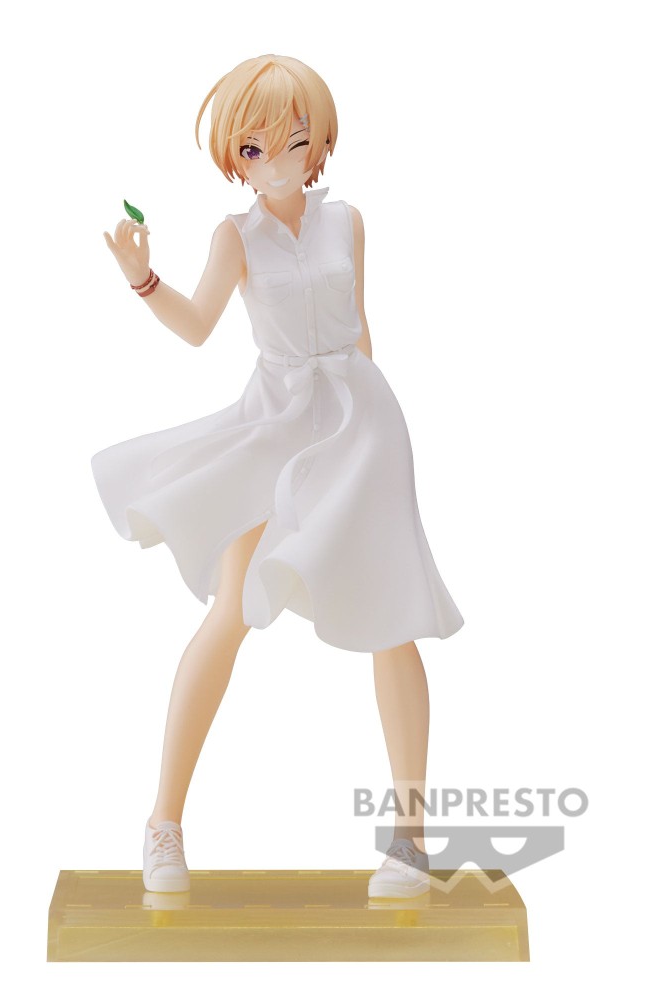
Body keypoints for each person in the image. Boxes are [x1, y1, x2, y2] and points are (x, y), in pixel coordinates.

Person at [94, 54, 464, 898]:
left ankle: (410, 838)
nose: (275, 162)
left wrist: (377, 436)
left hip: (362, 422)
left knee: (393, 616)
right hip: (274, 420)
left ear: (319, 143)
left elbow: (361, 325)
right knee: (231, 609)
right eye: (253, 149)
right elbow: (197, 324)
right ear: (236, 158)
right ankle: (163, 822)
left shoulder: (348, 222)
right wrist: (143, 279)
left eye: (293, 142)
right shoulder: (237, 238)